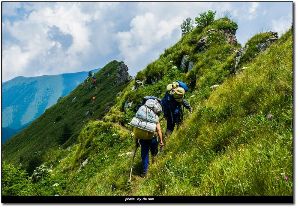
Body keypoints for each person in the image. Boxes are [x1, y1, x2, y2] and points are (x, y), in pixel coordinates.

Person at [129, 98, 164, 177]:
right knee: (154, 152)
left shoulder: (140, 115)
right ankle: (154, 165)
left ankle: (145, 172)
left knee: (144, 155)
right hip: (153, 137)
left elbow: (137, 129)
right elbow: (159, 130)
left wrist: (136, 141)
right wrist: (161, 141)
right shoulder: (155, 117)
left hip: (143, 139)